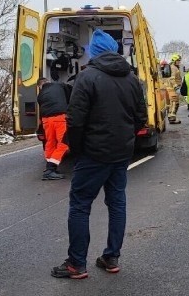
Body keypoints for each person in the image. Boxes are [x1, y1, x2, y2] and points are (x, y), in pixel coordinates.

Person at [51, 29, 148, 279]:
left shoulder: (87, 77)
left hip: (93, 155)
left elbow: (75, 120)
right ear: (114, 51)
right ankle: (111, 257)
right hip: (121, 154)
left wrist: (79, 149)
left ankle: (76, 263)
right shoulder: (132, 79)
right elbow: (141, 119)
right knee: (117, 204)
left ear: (94, 52)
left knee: (80, 205)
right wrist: (125, 139)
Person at [37, 77, 70, 180]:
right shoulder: (59, 85)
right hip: (59, 118)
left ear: (40, 86)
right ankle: (51, 168)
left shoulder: (40, 95)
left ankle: (49, 167)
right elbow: (72, 96)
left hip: (46, 120)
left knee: (50, 142)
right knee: (64, 143)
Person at [167, 54, 183, 124]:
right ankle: (172, 118)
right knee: (174, 103)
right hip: (173, 88)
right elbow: (172, 78)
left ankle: (173, 117)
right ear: (174, 60)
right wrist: (176, 87)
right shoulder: (173, 68)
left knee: (175, 103)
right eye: (178, 60)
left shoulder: (175, 67)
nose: (179, 62)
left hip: (174, 87)